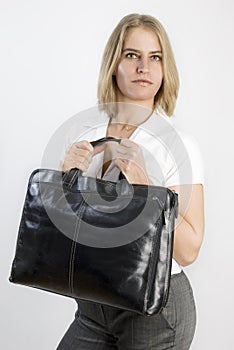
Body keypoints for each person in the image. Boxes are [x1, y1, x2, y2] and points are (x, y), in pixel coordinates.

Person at [56, 13, 205, 350]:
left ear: (165, 69)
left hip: (154, 308)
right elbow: (72, 229)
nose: (144, 67)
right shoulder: (87, 135)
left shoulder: (177, 144)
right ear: (114, 63)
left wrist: (145, 188)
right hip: (95, 303)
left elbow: (189, 249)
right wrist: (65, 181)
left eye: (155, 57)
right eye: (132, 55)